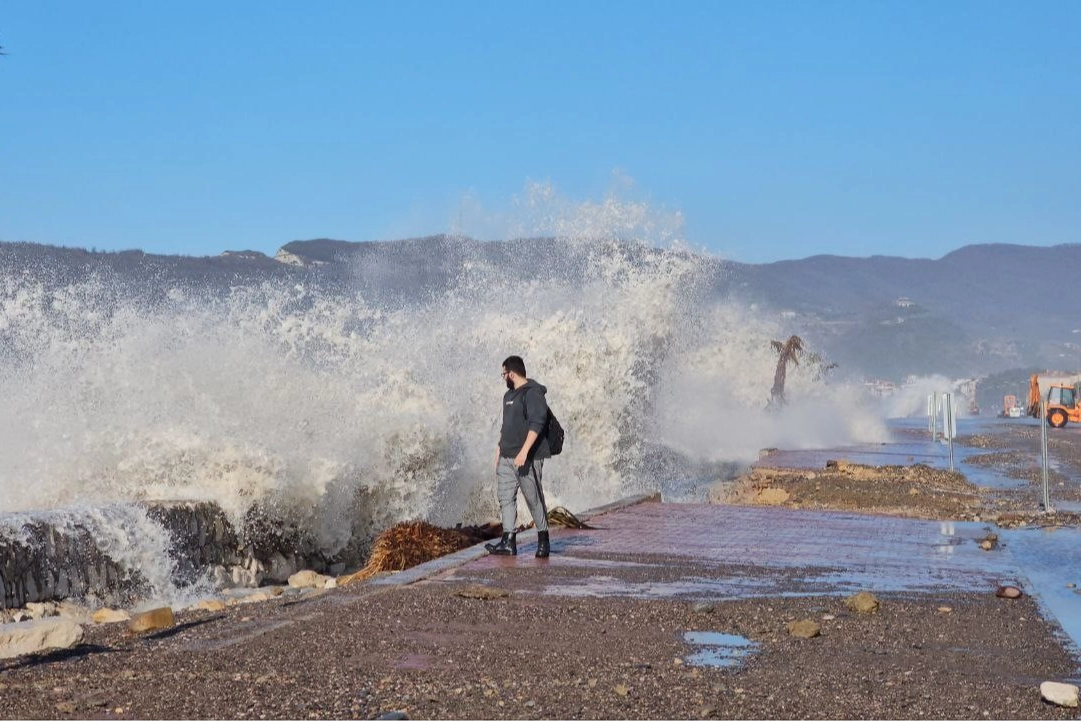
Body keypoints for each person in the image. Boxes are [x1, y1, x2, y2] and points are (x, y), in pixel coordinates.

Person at [485, 355, 552, 558]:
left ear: (511, 374)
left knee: (533, 498)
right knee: (505, 498)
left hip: (527, 458)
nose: (503, 377)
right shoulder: (508, 396)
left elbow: (537, 424)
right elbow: (507, 426)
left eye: (504, 374)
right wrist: (499, 448)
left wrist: (524, 452)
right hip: (506, 457)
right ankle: (508, 541)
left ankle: (543, 539)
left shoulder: (532, 393)